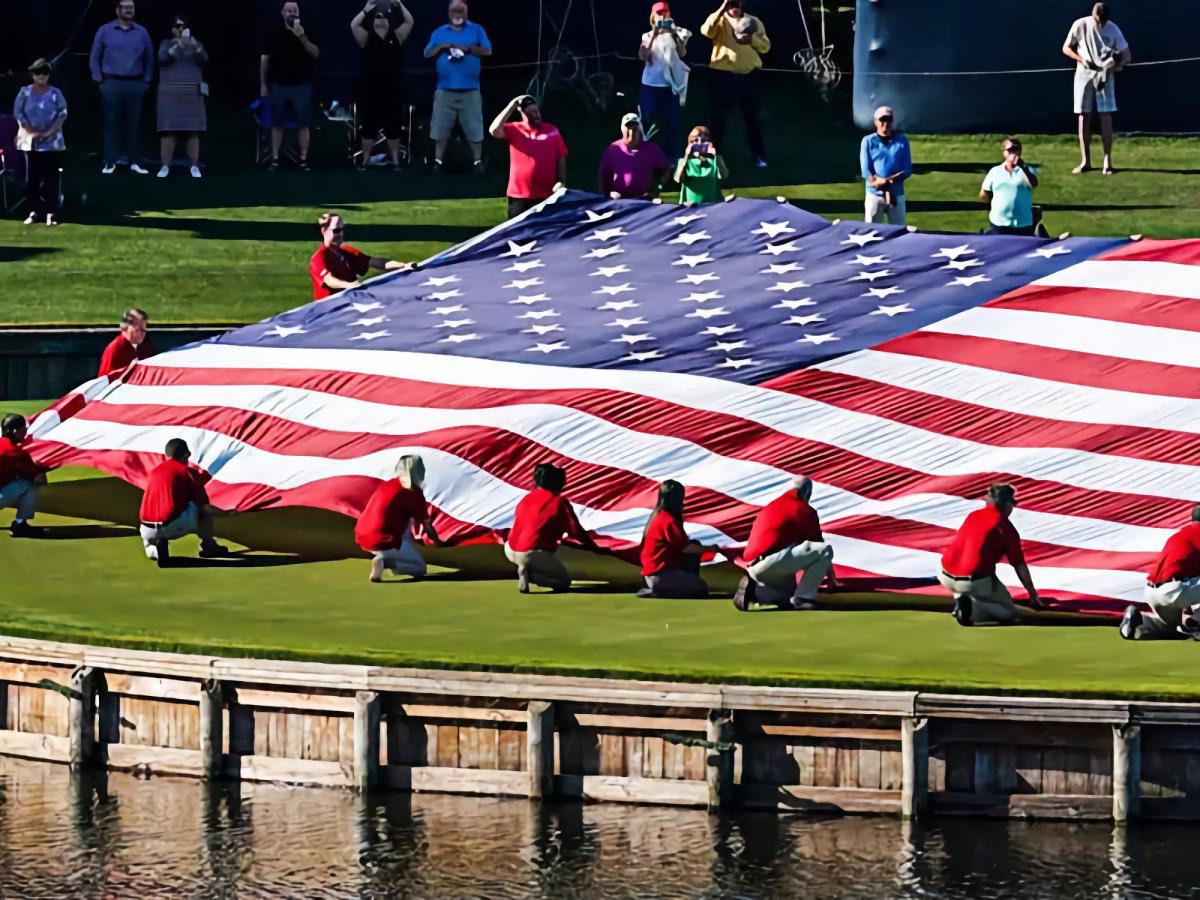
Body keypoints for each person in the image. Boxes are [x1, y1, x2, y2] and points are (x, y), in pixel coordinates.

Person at [939, 484, 1043, 627]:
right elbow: (1019, 565)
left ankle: (960, 598)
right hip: (972, 582)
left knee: (984, 577)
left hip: (945, 576)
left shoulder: (972, 516)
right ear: (1007, 505)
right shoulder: (1005, 527)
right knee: (1008, 611)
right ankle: (973, 608)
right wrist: (1032, 594)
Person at [734, 476, 836, 612]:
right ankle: (804, 599)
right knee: (825, 549)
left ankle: (755, 592)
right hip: (773, 561)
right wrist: (831, 577)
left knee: (785, 599)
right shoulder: (802, 509)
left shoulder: (770, 507)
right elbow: (818, 546)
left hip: (754, 566)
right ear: (807, 492)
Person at [505, 463, 598, 593]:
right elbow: (575, 531)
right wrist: (593, 547)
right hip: (531, 553)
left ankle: (525, 567)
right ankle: (530, 573)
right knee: (563, 583)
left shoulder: (527, 497)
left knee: (532, 557)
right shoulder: (559, 501)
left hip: (510, 548)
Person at [138, 438, 232, 566]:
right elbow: (205, 508)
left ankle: (156, 551)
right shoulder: (187, 472)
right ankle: (209, 546)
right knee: (200, 508)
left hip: (146, 528)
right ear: (187, 454)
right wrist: (227, 514)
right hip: (171, 525)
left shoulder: (154, 472)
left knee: (150, 550)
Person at [1062, 2, 1130, 176]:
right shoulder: (1080, 24)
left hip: (1105, 75)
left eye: (1103, 20)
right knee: (1083, 117)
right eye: (1098, 19)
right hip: (1084, 74)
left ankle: (1108, 161)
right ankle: (1086, 161)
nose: (1100, 23)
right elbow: (1066, 48)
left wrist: (1114, 67)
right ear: (1093, 15)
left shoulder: (1113, 29)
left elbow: (1126, 55)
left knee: (1105, 117)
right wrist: (1082, 59)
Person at [424, 0, 492, 173]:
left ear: (467, 11)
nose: (458, 14)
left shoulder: (477, 30)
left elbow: (487, 51)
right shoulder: (439, 33)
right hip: (444, 90)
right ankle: (437, 162)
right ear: (449, 13)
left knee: (475, 128)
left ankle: (477, 162)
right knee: (440, 128)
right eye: (454, 10)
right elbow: (427, 53)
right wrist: (445, 46)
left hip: (471, 90)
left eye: (461, 10)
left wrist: (468, 49)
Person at [701, 0, 769, 169]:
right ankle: (713, 157)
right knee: (718, 118)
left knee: (752, 117)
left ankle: (759, 156)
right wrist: (721, 9)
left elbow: (765, 47)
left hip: (749, 76)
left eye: (736, 3)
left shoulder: (753, 21)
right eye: (730, 4)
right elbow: (706, 31)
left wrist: (751, 39)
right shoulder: (719, 19)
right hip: (723, 75)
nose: (733, 6)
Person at [89, 0, 154, 175]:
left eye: (131, 8)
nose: (129, 10)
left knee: (134, 124)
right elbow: (95, 56)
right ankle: (110, 161)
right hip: (111, 83)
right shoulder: (105, 30)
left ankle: (134, 161)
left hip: (135, 83)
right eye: (125, 7)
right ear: (118, 10)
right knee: (111, 123)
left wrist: (146, 81)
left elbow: (150, 57)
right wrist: (99, 81)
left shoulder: (142, 32)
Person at [355, 454, 443, 583]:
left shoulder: (387, 485)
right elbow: (427, 525)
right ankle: (385, 562)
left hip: (362, 536)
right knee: (419, 569)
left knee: (403, 516)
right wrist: (439, 543)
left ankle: (386, 556)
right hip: (384, 541)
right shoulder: (412, 491)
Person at [1120, 506, 1200, 641]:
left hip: (1153, 593)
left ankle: (1138, 621)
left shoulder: (1179, 534)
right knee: (1186, 626)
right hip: (1176, 590)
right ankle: (1195, 624)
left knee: (1171, 629)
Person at [351, 0, 414, 171]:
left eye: (384, 16)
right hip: (371, 90)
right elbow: (354, 24)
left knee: (393, 127)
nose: (381, 18)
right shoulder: (366, 37)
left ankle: (395, 162)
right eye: (377, 16)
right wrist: (365, 10)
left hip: (392, 90)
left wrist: (399, 3)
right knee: (369, 128)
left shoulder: (397, 36)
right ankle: (364, 161)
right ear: (372, 21)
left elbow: (409, 22)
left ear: (389, 20)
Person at [261, 1, 321, 171]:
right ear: (282, 13)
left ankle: (303, 159)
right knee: (277, 123)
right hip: (279, 85)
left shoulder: (307, 29)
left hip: (302, 85)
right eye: (289, 11)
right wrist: (263, 84)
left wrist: (302, 36)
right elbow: (264, 60)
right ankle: (275, 159)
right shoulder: (274, 32)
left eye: (295, 10)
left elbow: (316, 53)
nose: (292, 13)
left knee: (303, 124)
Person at [490, 95, 568, 220]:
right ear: (522, 114)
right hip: (519, 196)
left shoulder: (552, 130)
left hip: (547, 193)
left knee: (545, 230)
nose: (536, 115)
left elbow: (561, 158)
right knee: (517, 232)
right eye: (531, 113)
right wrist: (512, 105)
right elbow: (494, 130)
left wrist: (561, 181)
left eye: (536, 111)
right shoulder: (514, 129)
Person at [639, 480, 717, 599]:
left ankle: (667, 586)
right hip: (661, 575)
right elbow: (686, 548)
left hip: (654, 573)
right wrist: (710, 548)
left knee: (695, 545)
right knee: (701, 588)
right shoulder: (668, 521)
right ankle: (662, 590)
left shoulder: (658, 516)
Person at [13, 59, 68, 227]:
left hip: (52, 142)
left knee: (51, 177)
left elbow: (62, 113)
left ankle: (51, 212)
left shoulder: (55, 93)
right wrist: (31, 132)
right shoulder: (24, 92)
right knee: (32, 178)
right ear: (32, 75)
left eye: (45, 72)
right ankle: (34, 211)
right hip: (30, 142)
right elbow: (18, 113)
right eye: (38, 73)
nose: (42, 76)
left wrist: (49, 133)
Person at [309, 214, 410, 300]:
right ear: (324, 231)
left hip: (349, 301)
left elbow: (373, 262)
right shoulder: (318, 258)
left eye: (341, 230)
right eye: (336, 230)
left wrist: (402, 265)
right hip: (328, 310)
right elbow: (328, 280)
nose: (340, 234)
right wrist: (348, 285)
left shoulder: (346, 251)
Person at [156, 14, 208, 179]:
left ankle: (194, 166)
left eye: (183, 26)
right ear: (172, 29)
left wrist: (196, 46)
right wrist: (178, 45)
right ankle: (165, 166)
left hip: (192, 92)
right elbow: (162, 59)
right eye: (178, 26)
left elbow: (204, 59)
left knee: (193, 131)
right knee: (168, 131)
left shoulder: (196, 44)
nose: (181, 29)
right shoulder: (166, 43)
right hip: (170, 93)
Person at [638, 1, 690, 153]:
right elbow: (644, 55)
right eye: (659, 13)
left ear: (669, 14)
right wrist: (655, 34)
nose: (662, 15)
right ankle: (645, 153)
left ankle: (670, 156)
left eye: (665, 12)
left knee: (673, 122)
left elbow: (682, 54)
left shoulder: (677, 33)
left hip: (671, 86)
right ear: (653, 17)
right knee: (647, 120)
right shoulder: (646, 35)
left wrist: (673, 34)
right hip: (651, 85)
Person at [597, 112, 671, 199]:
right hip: (618, 199)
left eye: (635, 128)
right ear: (622, 129)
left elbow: (666, 168)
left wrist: (658, 188)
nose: (631, 132)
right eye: (628, 128)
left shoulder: (651, 149)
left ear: (640, 129)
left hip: (642, 199)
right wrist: (604, 197)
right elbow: (602, 176)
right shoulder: (613, 149)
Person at [860, 105, 912, 226]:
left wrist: (887, 181)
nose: (885, 123)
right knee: (871, 230)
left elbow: (907, 169)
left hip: (896, 193)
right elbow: (866, 170)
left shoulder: (902, 141)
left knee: (898, 231)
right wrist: (877, 182)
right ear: (875, 122)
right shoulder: (868, 141)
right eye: (882, 120)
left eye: (888, 120)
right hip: (874, 193)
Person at [0, 414, 49, 538]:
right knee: (29, 484)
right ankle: (20, 524)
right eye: (24, 430)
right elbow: (40, 479)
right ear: (15, 431)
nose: (26, 432)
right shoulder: (13, 451)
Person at [980, 137, 1039, 236]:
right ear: (1004, 152)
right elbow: (984, 193)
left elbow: (1034, 184)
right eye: (1010, 150)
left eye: (1016, 149)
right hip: (999, 224)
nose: (1013, 152)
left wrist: (1023, 167)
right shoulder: (995, 171)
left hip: (1023, 224)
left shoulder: (1027, 170)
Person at [674, 125, 728, 205]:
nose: (699, 143)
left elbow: (724, 176)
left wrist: (715, 156)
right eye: (695, 140)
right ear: (690, 142)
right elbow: (678, 179)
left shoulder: (715, 160)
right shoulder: (683, 161)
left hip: (713, 206)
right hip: (690, 207)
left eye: (703, 141)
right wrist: (686, 157)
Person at [98, 308, 156, 376]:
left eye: (144, 330)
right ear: (125, 327)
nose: (143, 333)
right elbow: (105, 380)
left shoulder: (145, 345)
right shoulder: (115, 350)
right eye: (138, 330)